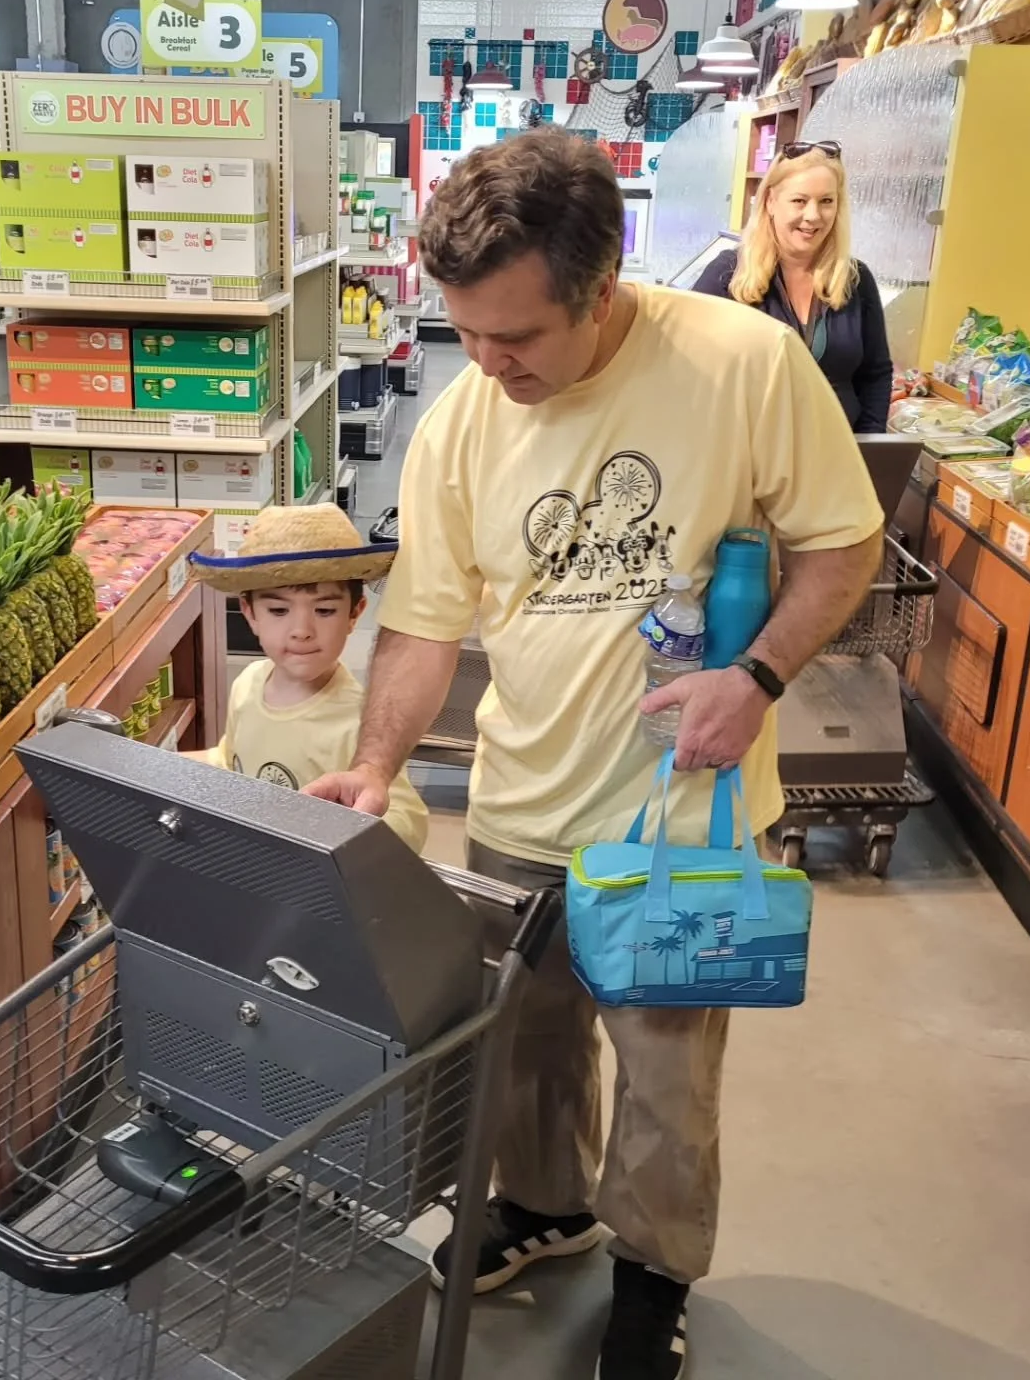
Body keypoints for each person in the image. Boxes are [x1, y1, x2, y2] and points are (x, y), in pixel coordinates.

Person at [305, 129, 884, 1380]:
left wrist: (760, 675)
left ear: (601, 288)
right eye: (466, 332)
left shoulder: (743, 364)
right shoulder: (465, 420)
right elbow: (422, 620)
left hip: (683, 814)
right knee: (525, 1048)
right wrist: (375, 765)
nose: (489, 363)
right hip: (522, 802)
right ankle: (547, 1208)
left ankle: (653, 1273)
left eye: (516, 338)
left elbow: (844, 543)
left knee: (669, 1073)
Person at [188, 503, 428, 853]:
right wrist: (150, 765)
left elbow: (408, 822)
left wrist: (350, 827)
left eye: (325, 610)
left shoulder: (361, 720)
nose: (302, 631)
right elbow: (229, 761)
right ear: (249, 613)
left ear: (354, 614)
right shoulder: (249, 683)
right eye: (279, 610)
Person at [694, 140, 893, 433]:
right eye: (799, 201)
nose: (813, 216)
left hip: (835, 457)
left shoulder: (855, 279)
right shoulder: (728, 275)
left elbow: (875, 373)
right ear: (770, 202)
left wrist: (866, 445)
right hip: (749, 461)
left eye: (826, 201)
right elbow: (687, 364)